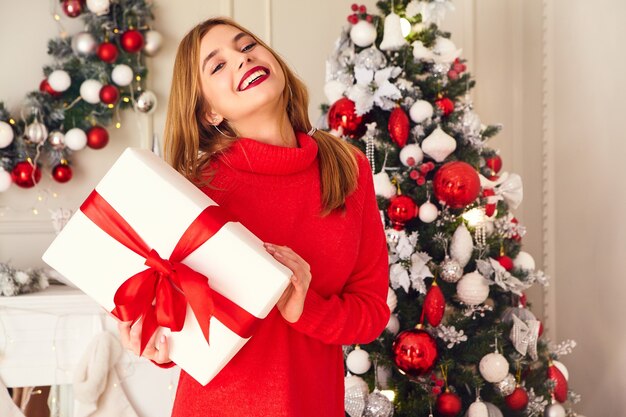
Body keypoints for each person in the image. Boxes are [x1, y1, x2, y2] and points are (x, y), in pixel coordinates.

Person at [118, 17, 390, 417]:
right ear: (208, 111)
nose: (241, 60)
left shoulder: (348, 169)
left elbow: (371, 313)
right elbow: (174, 322)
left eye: (246, 47)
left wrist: (306, 310)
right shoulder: (193, 191)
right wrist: (157, 343)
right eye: (218, 65)